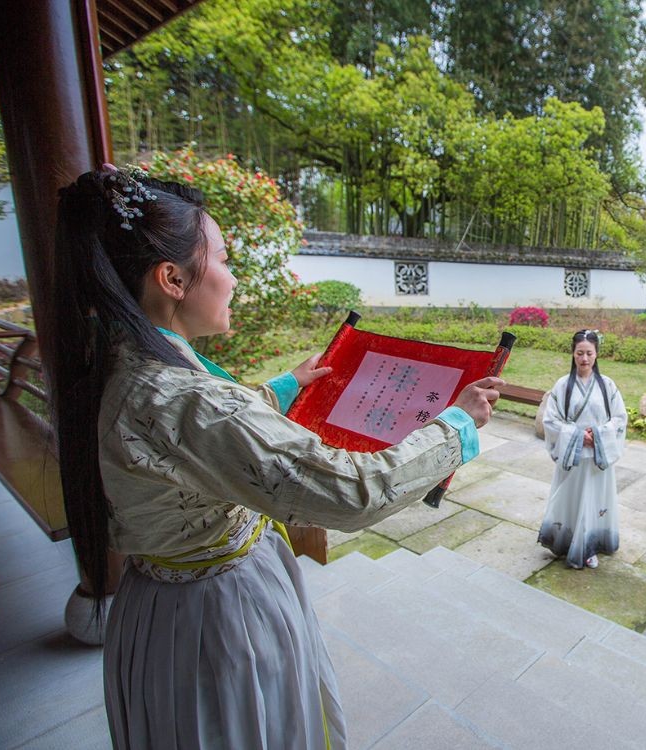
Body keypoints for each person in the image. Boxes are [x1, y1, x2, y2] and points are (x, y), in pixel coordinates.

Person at [51, 166, 502, 749]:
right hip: (218, 618)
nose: (233, 279)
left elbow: (198, 442)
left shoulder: (120, 361)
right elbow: (352, 490)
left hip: (158, 611)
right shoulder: (182, 396)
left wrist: (286, 386)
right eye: (222, 258)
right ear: (172, 278)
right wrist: (456, 424)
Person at [539, 330, 627, 569]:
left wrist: (597, 436)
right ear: (573, 354)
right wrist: (578, 436)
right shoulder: (562, 385)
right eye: (580, 353)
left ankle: (589, 545)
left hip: (597, 458)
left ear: (597, 354)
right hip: (574, 456)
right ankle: (566, 541)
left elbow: (619, 418)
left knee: (593, 501)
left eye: (589, 353)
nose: (584, 358)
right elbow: (550, 420)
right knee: (572, 499)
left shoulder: (607, 386)